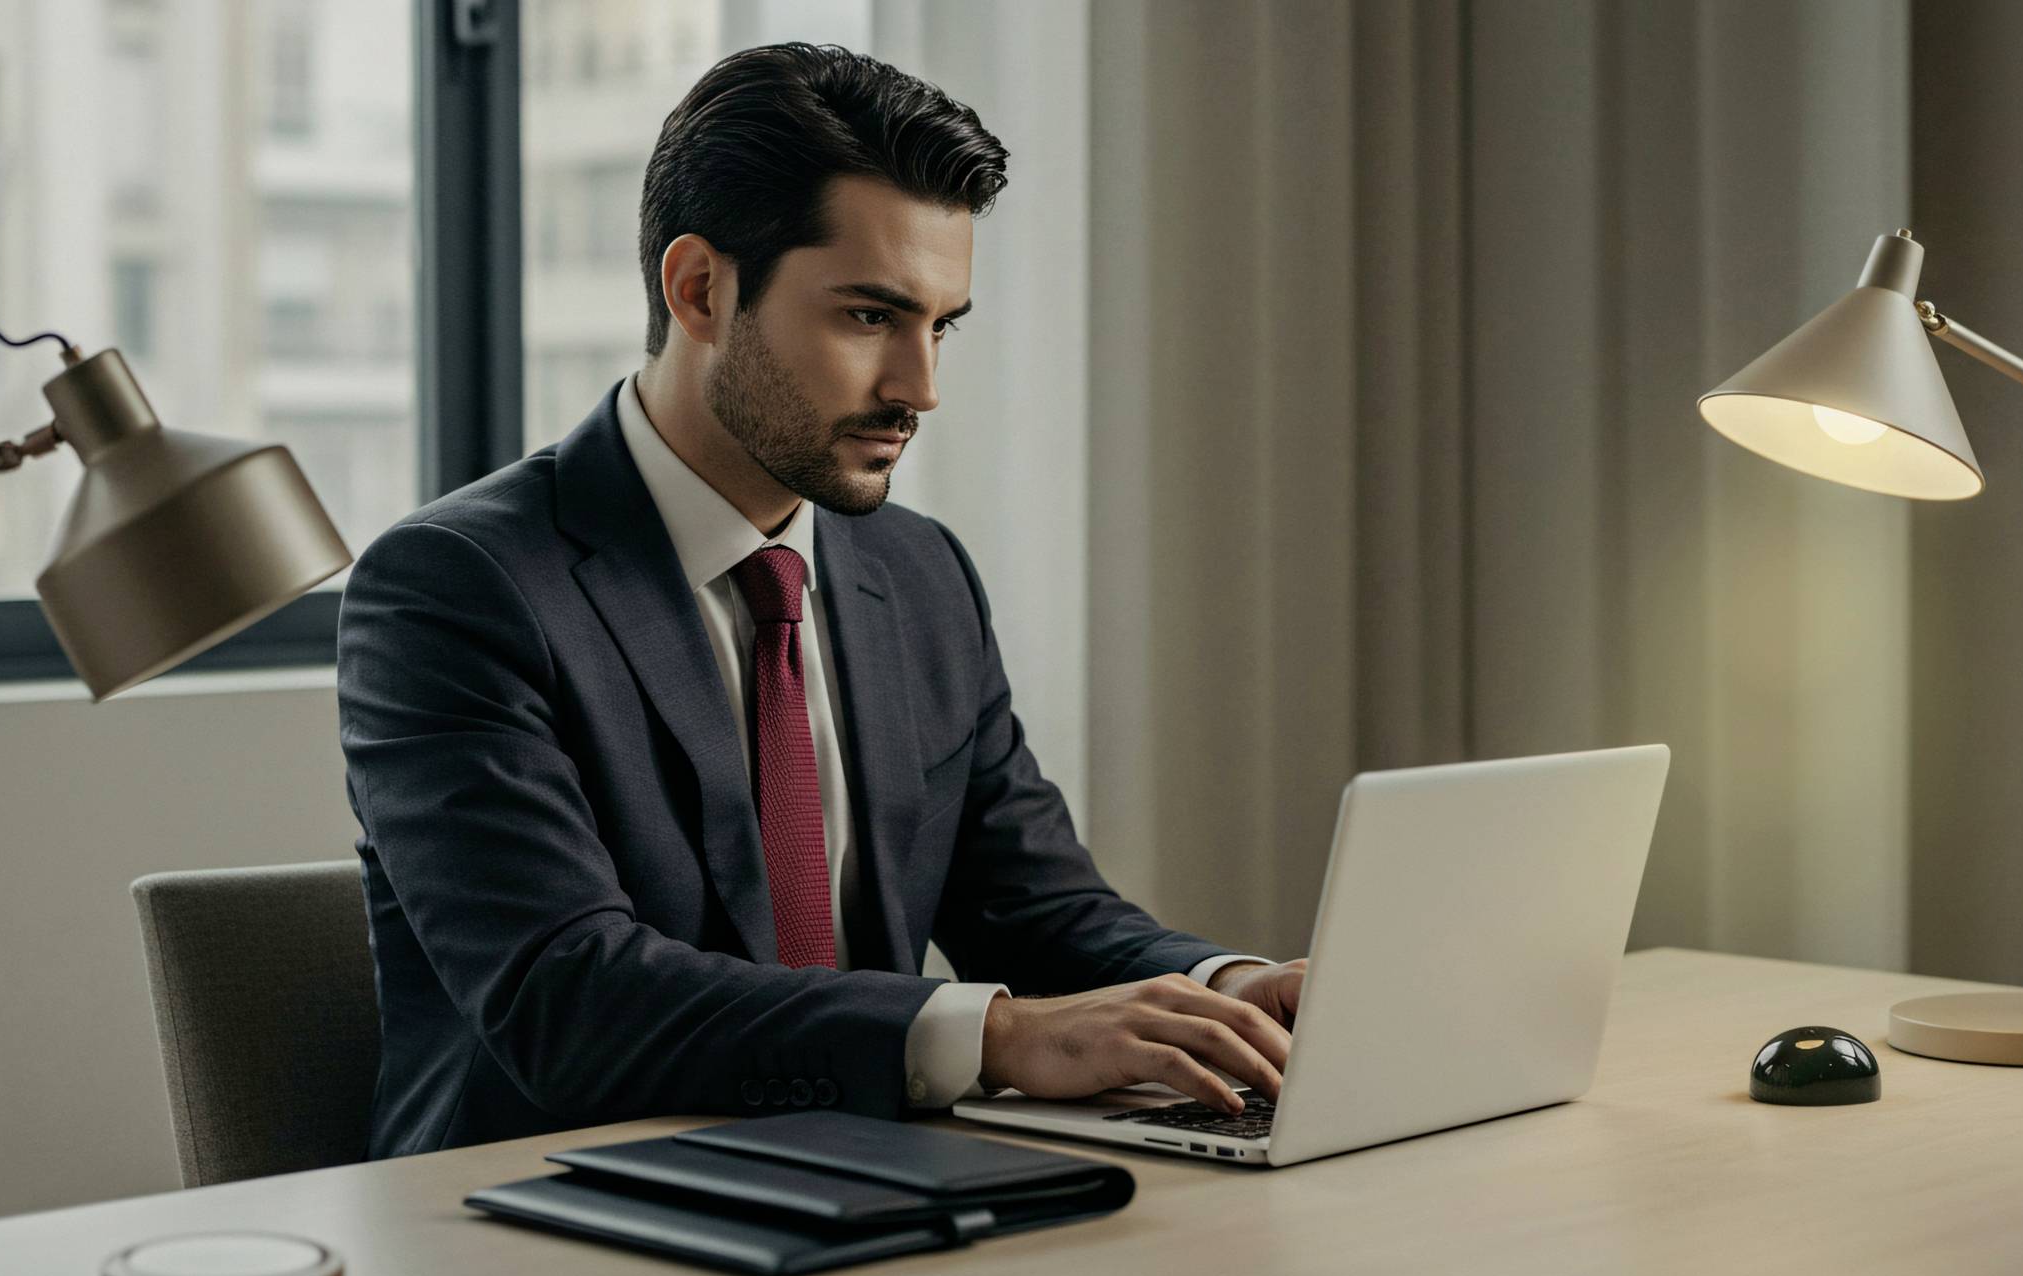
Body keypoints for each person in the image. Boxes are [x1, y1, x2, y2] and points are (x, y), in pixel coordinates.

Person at [338, 43, 1306, 1159]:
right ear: (698, 288)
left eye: (940, 325)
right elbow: (568, 998)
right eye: (867, 318)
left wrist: (1232, 990)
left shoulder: (920, 576)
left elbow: (1039, 913)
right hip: (548, 1219)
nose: (919, 388)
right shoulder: (455, 587)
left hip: (867, 1188)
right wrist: (993, 1036)